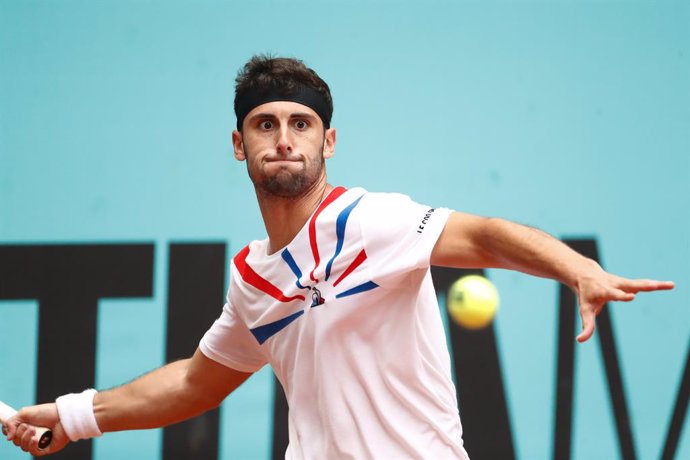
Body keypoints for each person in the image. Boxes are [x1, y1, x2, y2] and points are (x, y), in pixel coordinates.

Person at [3, 55, 675, 458]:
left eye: (301, 124)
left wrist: (576, 269)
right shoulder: (251, 280)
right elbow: (194, 384)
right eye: (266, 124)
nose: (284, 139)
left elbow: (486, 235)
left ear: (329, 140)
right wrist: (72, 416)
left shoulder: (371, 220)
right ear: (239, 145)